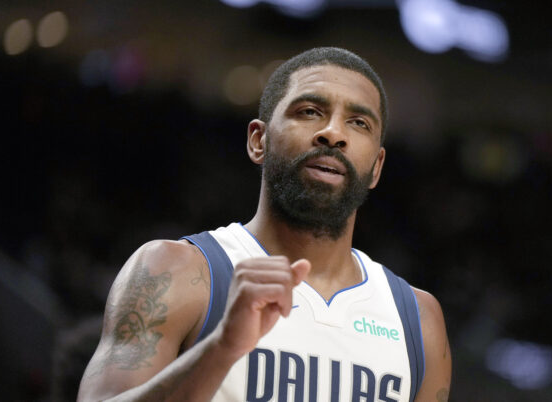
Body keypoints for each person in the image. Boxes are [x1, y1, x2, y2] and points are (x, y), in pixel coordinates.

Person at [78, 47, 451, 402]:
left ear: (377, 167)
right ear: (258, 140)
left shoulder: (419, 320)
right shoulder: (174, 270)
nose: (333, 133)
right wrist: (222, 347)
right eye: (309, 111)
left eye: (358, 122)